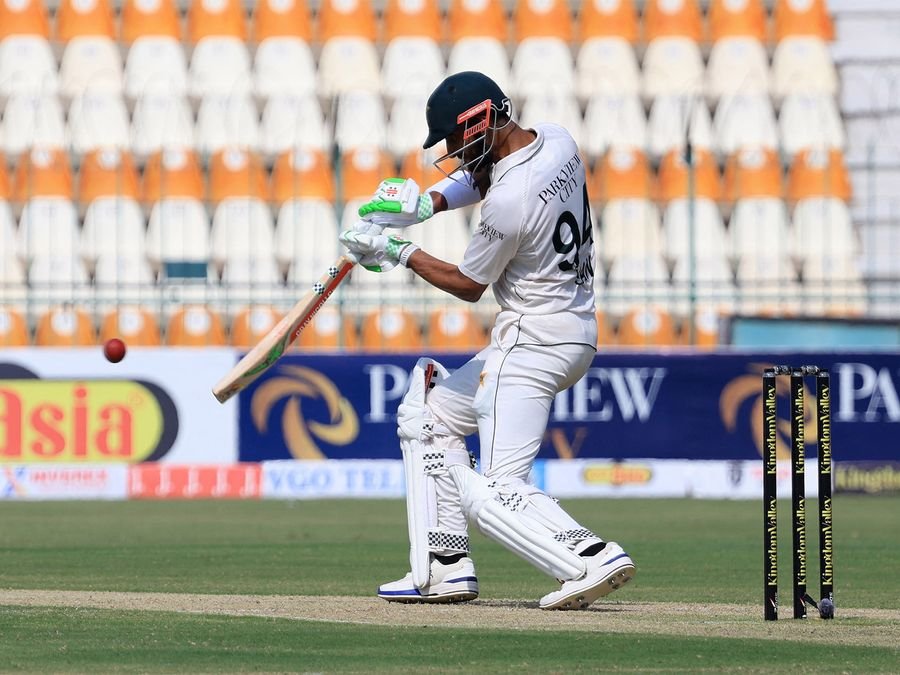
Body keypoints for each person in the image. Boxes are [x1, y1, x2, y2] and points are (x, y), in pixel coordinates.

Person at [339, 71, 635, 610]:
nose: (452, 151)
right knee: (430, 415)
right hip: (573, 331)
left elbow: (469, 285)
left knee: (497, 489)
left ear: (481, 122)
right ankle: (443, 567)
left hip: (530, 342)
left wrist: (397, 250)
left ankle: (589, 557)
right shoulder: (557, 139)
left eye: (455, 139)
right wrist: (426, 205)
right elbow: (488, 174)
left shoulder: (509, 202)